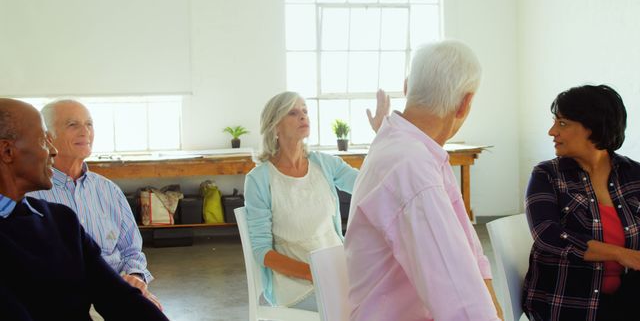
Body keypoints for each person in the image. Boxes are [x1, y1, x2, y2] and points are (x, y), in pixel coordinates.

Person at [344, 40, 502, 321]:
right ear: (464, 104)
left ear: (407, 87)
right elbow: (460, 302)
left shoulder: (411, 150)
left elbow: (469, 251)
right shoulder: (410, 166)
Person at [0, 98, 168, 321]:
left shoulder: (60, 220)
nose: (52, 151)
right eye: (43, 141)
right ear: (7, 151)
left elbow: (117, 295)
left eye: (89, 124)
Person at [244, 90, 389, 311]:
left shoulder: (325, 164)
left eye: (305, 110)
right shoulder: (259, 179)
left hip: (340, 274)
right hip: (297, 286)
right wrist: (313, 273)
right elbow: (262, 252)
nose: (303, 116)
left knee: (390, 303)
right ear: (275, 127)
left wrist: (381, 136)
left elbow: (369, 184)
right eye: (293, 113)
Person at [522, 85, 640, 321]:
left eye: (563, 124)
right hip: (568, 304)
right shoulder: (547, 175)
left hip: (628, 300)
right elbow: (548, 235)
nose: (552, 131)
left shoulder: (634, 174)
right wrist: (621, 254)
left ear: (594, 128)